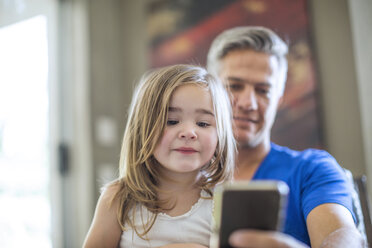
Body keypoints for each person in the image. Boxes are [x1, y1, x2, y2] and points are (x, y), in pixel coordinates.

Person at [207, 26, 363, 248]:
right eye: (234, 86)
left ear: (279, 99)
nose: (247, 103)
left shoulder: (312, 169)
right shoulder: (178, 174)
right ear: (210, 90)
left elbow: (341, 234)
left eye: (263, 90)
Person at [83, 64, 236, 248]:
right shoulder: (118, 198)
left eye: (203, 124)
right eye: (171, 121)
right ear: (142, 129)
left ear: (220, 135)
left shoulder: (226, 200)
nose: (189, 132)